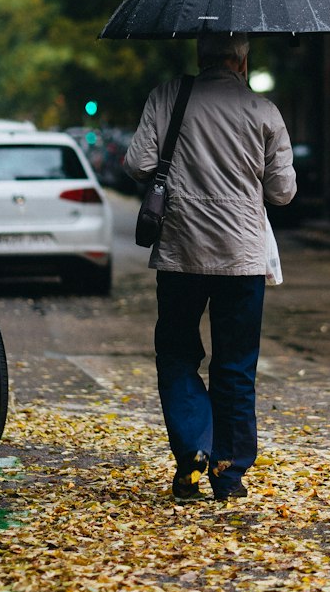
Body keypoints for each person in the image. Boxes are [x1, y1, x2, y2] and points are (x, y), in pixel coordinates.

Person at [124, 33, 296, 503]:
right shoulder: (264, 112)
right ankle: (229, 473)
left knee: (177, 353)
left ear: (201, 56)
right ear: (243, 62)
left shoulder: (168, 97)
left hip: (181, 252)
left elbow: (137, 162)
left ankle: (194, 447)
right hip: (242, 257)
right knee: (236, 366)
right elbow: (282, 192)